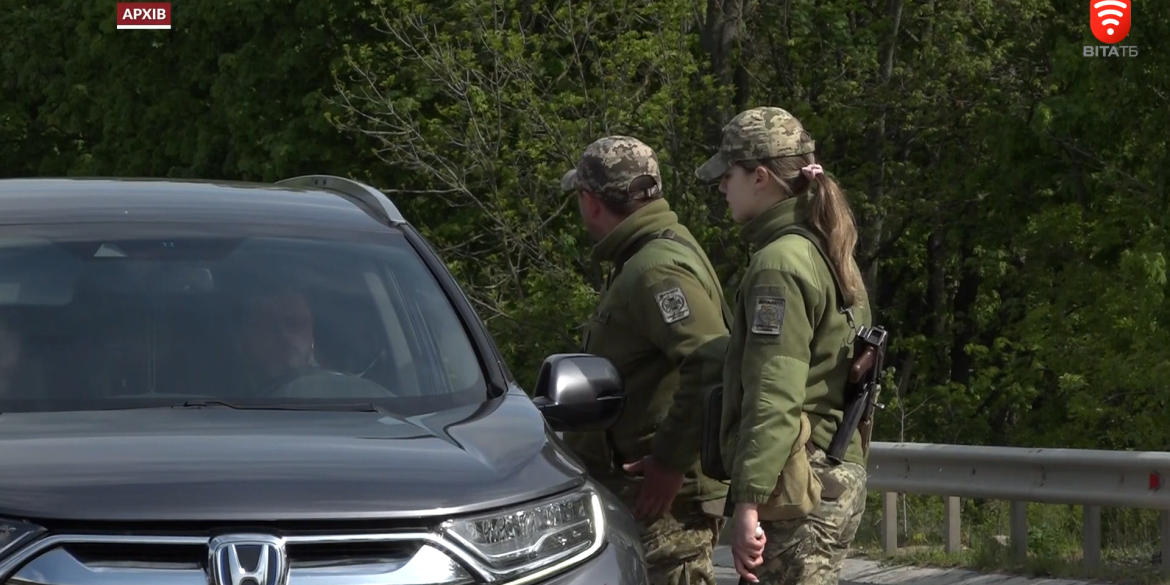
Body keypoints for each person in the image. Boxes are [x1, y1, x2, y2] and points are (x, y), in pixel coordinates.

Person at [694, 106, 871, 585]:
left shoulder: (779, 263)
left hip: (797, 491)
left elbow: (775, 393)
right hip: (830, 470)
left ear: (761, 177)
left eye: (728, 175)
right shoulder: (824, 243)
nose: (721, 187)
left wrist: (747, 502)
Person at [559, 135, 731, 585]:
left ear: (591, 201)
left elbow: (712, 359)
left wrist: (669, 462)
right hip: (649, 499)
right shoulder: (643, 254)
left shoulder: (655, 268)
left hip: (665, 506)